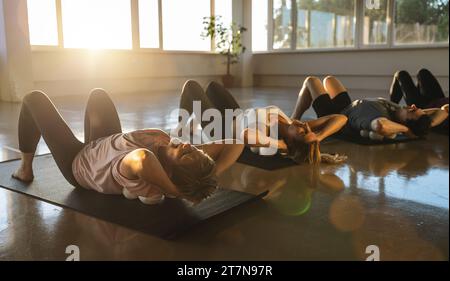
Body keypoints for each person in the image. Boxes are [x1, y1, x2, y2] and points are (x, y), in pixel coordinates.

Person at [12, 89, 245, 204]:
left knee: (34, 99)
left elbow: (143, 157)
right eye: (193, 149)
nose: (187, 145)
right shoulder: (174, 151)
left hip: (79, 164)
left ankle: (25, 168)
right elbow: (236, 143)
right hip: (106, 142)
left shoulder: (135, 168)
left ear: (169, 174)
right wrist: (210, 171)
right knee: (99, 95)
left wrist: (176, 192)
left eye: (185, 153)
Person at [178, 80, 348, 164]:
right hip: (236, 115)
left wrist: (281, 146)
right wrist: (319, 136)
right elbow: (341, 118)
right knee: (214, 87)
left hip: (221, 130)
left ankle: (179, 133)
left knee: (191, 86)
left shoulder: (269, 134)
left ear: (289, 141)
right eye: (307, 129)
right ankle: (196, 120)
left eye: (302, 132)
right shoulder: (292, 125)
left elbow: (245, 135)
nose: (304, 126)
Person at [292, 76, 448, 141]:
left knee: (311, 81)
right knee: (329, 79)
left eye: (412, 111)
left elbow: (380, 126)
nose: (413, 107)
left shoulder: (380, 117)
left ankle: (294, 117)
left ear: (405, 123)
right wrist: (426, 124)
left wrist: (406, 131)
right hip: (348, 105)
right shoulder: (398, 111)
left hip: (335, 115)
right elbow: (441, 111)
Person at [390, 69, 449, 134]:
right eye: (412, 110)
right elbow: (444, 109)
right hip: (439, 99)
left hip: (423, 106)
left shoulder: (434, 119)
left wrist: (422, 120)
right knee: (423, 73)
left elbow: (444, 109)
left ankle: (391, 106)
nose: (412, 107)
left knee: (401, 75)